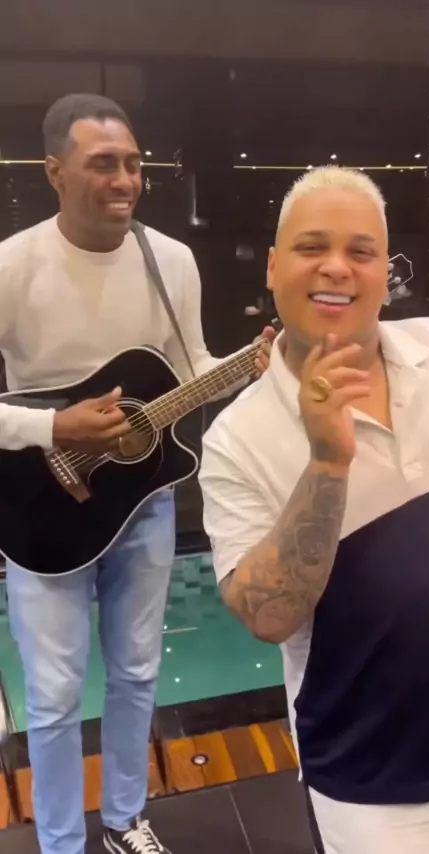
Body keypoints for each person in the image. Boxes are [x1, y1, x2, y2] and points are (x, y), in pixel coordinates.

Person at [0, 93, 273, 854]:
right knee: (54, 696)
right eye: (103, 164)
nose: (124, 180)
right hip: (40, 507)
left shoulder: (170, 261)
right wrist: (55, 427)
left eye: (133, 163)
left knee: (136, 672)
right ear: (54, 172)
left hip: (141, 503)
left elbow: (190, 371)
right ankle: (61, 844)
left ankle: (125, 821)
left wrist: (254, 365)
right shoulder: (12, 266)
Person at [199, 165, 429, 854]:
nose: (337, 267)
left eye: (361, 251)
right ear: (273, 267)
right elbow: (268, 617)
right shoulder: (237, 439)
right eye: (312, 246)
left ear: (387, 273)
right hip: (373, 777)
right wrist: (326, 463)